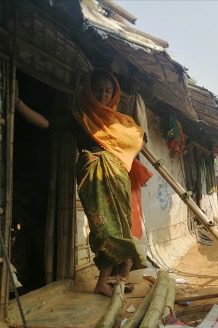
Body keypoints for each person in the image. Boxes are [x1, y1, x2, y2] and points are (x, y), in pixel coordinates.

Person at [15, 68, 152, 297]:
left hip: (117, 178)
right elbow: (47, 124)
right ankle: (105, 280)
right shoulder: (78, 117)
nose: (103, 95)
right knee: (103, 229)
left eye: (108, 90)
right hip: (93, 177)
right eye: (97, 90)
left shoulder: (121, 122)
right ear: (88, 91)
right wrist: (19, 105)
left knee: (121, 225)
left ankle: (120, 271)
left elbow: (137, 138)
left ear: (114, 93)